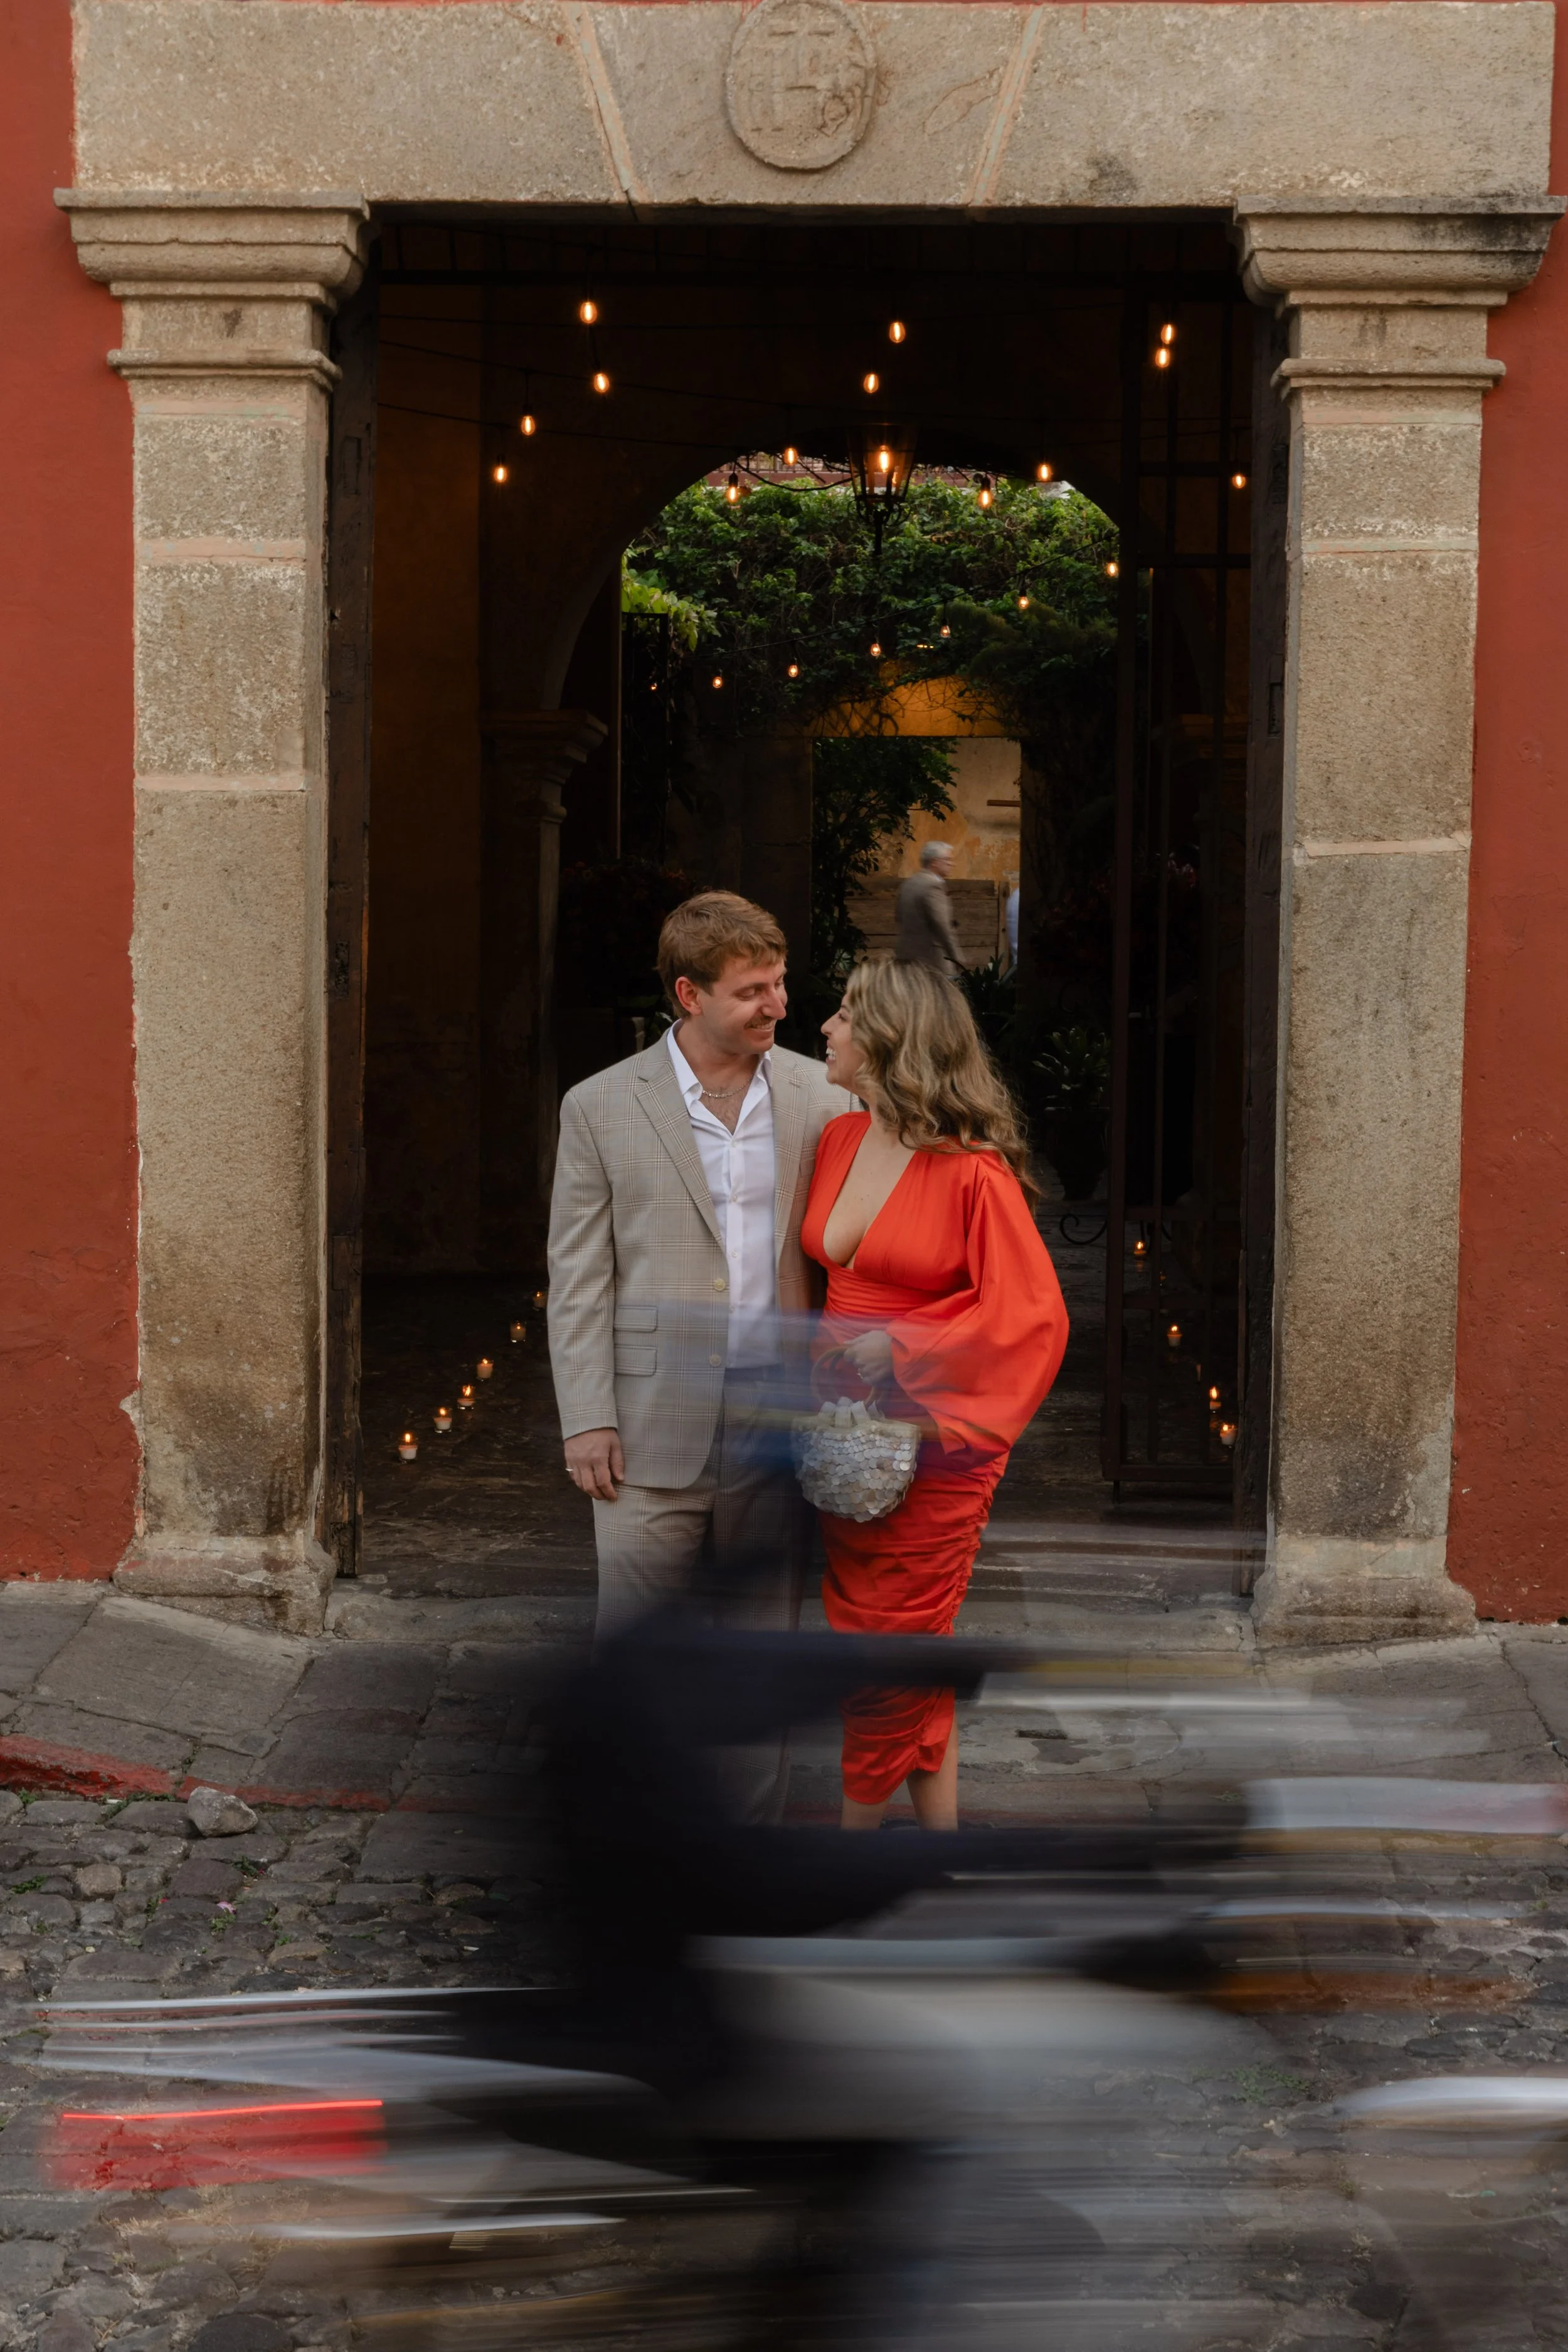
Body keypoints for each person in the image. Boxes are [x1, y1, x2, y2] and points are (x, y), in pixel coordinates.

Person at [547, 891, 842, 1813]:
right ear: (690, 993)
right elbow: (580, 1273)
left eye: (781, 982)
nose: (778, 1004)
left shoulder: (821, 1097)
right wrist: (587, 1415)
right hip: (644, 1425)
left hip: (773, 1422)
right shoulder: (599, 1106)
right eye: (753, 990)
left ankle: (746, 1852)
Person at [803, 958, 1068, 1831]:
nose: (827, 1029)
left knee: (886, 1657)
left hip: (937, 1445)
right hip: (844, 1442)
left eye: (844, 1015)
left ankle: (849, 1868)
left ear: (888, 1039)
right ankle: (939, 1851)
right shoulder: (839, 1139)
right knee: (903, 1649)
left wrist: (906, 1343)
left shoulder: (973, 1173)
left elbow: (1032, 1315)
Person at [894, 840, 963, 975]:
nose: (952, 864)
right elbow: (943, 926)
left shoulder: (908, 884)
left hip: (905, 958)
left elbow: (898, 917)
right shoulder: (934, 886)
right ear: (935, 862)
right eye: (948, 860)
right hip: (932, 961)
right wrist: (957, 958)